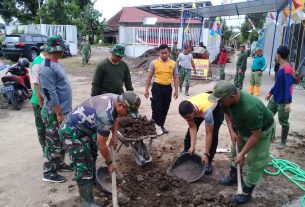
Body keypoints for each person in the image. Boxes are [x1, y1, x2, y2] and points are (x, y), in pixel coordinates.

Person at [59, 91, 141, 207]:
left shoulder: (116, 98)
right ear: (120, 105)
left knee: (92, 154)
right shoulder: (105, 116)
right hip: (71, 132)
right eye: (128, 111)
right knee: (83, 166)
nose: (127, 115)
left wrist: (114, 135)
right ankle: (87, 202)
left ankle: (92, 181)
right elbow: (101, 145)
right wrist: (110, 163)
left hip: (87, 128)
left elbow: (116, 116)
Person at [209, 81, 275, 204]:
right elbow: (227, 116)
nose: (219, 103)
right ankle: (234, 176)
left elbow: (255, 135)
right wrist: (232, 132)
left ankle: (246, 191)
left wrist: (243, 153)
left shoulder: (250, 108)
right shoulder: (225, 100)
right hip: (243, 127)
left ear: (232, 96)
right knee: (235, 152)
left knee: (254, 160)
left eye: (221, 101)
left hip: (261, 132)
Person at [39, 35, 73, 183]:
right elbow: (49, 93)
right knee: (52, 143)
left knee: (61, 140)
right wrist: (59, 114)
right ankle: (48, 172)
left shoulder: (57, 63)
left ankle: (58, 163)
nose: (64, 52)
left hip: (63, 111)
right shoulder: (46, 69)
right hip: (54, 113)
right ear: (57, 50)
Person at [178, 92, 224, 174]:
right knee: (190, 129)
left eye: (188, 117)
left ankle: (208, 160)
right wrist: (192, 146)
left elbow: (208, 134)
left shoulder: (207, 113)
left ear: (193, 111)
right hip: (199, 105)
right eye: (185, 118)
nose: (187, 119)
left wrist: (206, 154)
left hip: (215, 109)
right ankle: (187, 150)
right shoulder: (187, 109)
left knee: (213, 134)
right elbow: (192, 127)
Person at [144, 44, 179, 135]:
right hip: (157, 88)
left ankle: (161, 125)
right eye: (162, 53)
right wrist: (146, 90)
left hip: (168, 88)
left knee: (165, 108)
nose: (164, 55)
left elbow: (175, 77)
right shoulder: (154, 63)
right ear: (159, 53)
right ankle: (155, 126)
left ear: (169, 53)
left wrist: (176, 91)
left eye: (166, 53)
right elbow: (148, 77)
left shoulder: (173, 63)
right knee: (156, 108)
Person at [266, 46, 294, 150]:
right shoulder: (280, 66)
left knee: (284, 121)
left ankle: (283, 142)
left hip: (283, 100)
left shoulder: (287, 68)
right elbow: (278, 83)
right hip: (275, 98)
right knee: (267, 115)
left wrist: (288, 102)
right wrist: (270, 92)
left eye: (276, 54)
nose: (275, 56)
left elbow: (288, 86)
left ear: (279, 55)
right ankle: (270, 136)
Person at [30, 47, 46, 152]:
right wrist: (41, 105)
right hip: (39, 101)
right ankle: (45, 149)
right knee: (41, 127)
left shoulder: (49, 61)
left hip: (48, 101)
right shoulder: (37, 63)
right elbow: (36, 85)